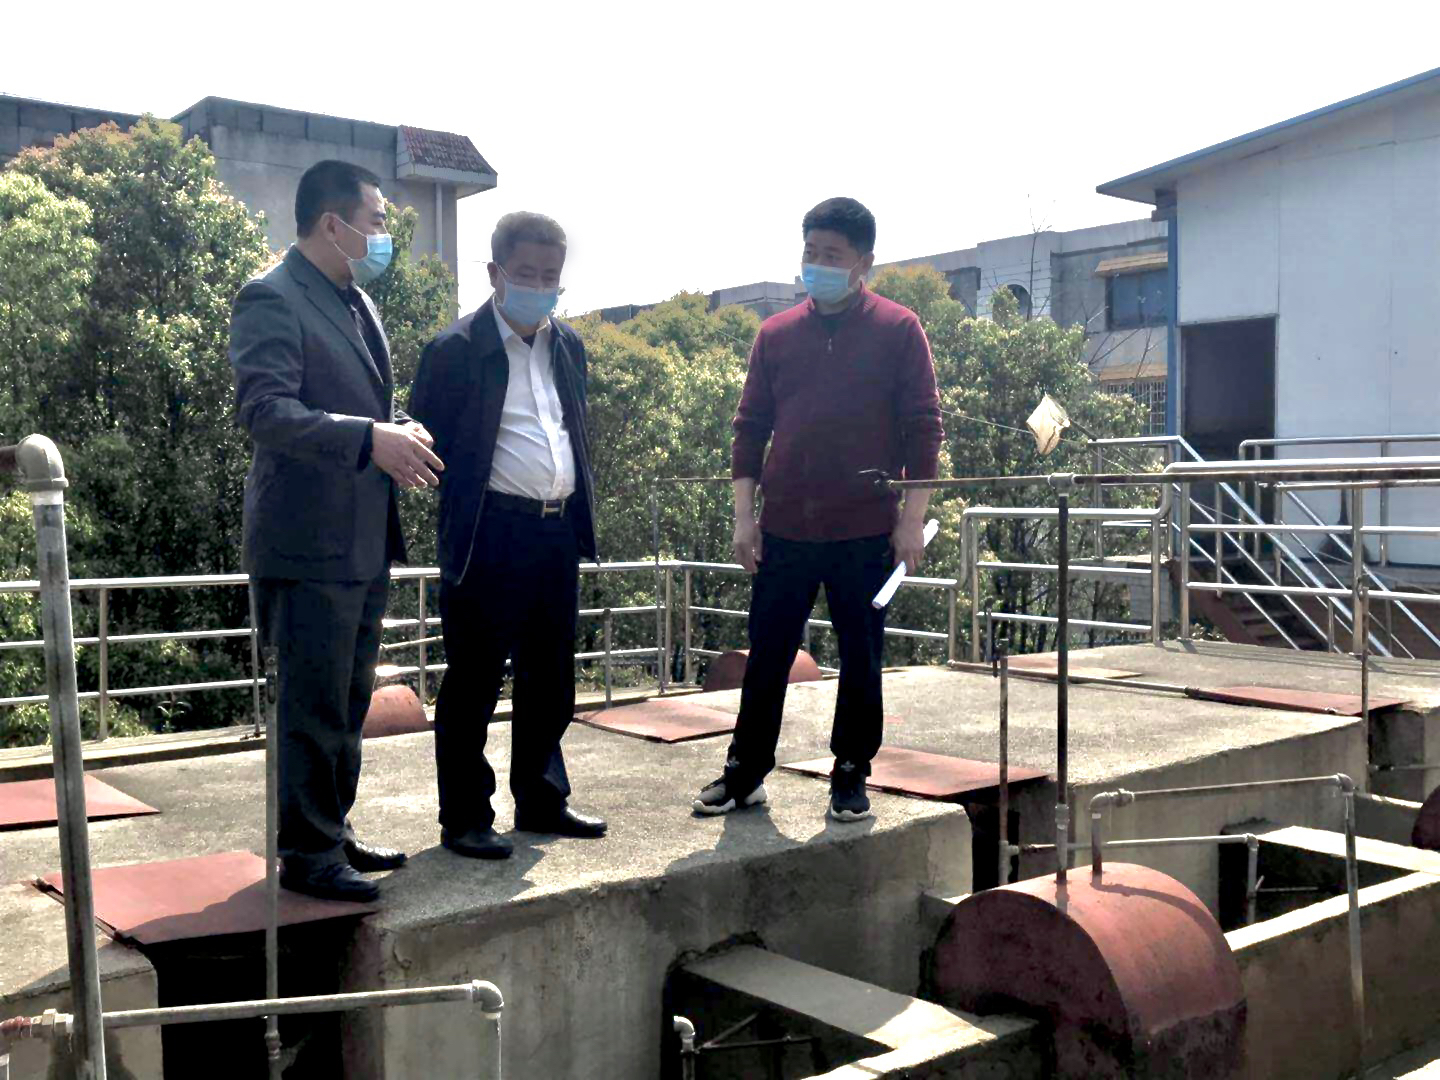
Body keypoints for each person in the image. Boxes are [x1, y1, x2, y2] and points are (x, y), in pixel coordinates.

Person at [230, 160, 443, 902]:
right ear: (333, 223)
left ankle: (331, 828)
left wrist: (397, 429)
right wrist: (367, 438)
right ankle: (308, 855)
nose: (385, 234)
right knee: (313, 704)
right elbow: (266, 411)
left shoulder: (354, 298)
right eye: (377, 220)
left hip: (360, 538)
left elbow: (365, 405)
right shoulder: (271, 295)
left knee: (349, 702)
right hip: (307, 541)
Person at [693, 197, 943, 822]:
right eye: (810, 253)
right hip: (785, 527)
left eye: (832, 255)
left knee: (861, 654)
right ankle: (745, 770)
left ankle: (851, 770)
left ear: (864, 263)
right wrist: (744, 517)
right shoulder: (776, 334)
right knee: (767, 652)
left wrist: (912, 520)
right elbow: (749, 430)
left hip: (866, 528)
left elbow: (924, 431)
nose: (818, 265)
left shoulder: (898, 329)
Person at [410, 211, 606, 860]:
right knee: (474, 681)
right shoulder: (455, 350)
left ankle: (542, 800)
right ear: (495, 273)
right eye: (527, 274)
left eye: (551, 276)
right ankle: (465, 817)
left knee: (551, 677)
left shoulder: (568, 345)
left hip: (556, 531)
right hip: (488, 534)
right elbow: (426, 445)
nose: (541, 287)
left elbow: (571, 430)